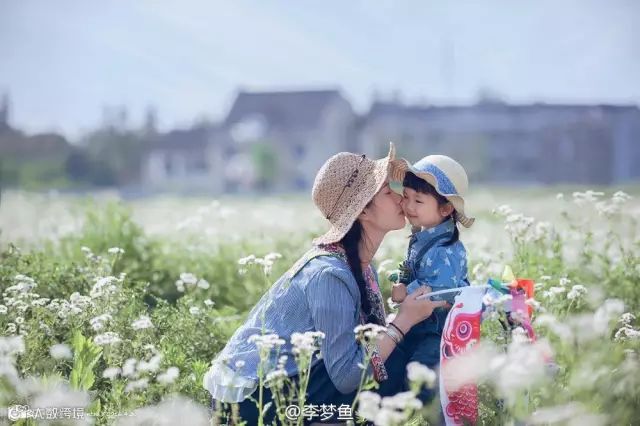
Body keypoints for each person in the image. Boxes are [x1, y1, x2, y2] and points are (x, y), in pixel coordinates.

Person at [203, 143, 447, 424]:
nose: (399, 194)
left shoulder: (359, 265)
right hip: (252, 403)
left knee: (398, 357)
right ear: (363, 211)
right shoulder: (330, 274)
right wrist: (402, 322)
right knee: (392, 367)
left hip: (290, 381)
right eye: (386, 191)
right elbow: (347, 376)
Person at [387, 154, 475, 403]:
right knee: (393, 367)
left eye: (418, 200)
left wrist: (407, 291)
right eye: (406, 196)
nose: (409, 206)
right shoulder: (424, 237)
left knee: (423, 378)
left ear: (446, 209)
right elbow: (411, 268)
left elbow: (441, 289)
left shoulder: (447, 248)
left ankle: (436, 415)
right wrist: (401, 279)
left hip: (439, 330)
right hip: (419, 323)